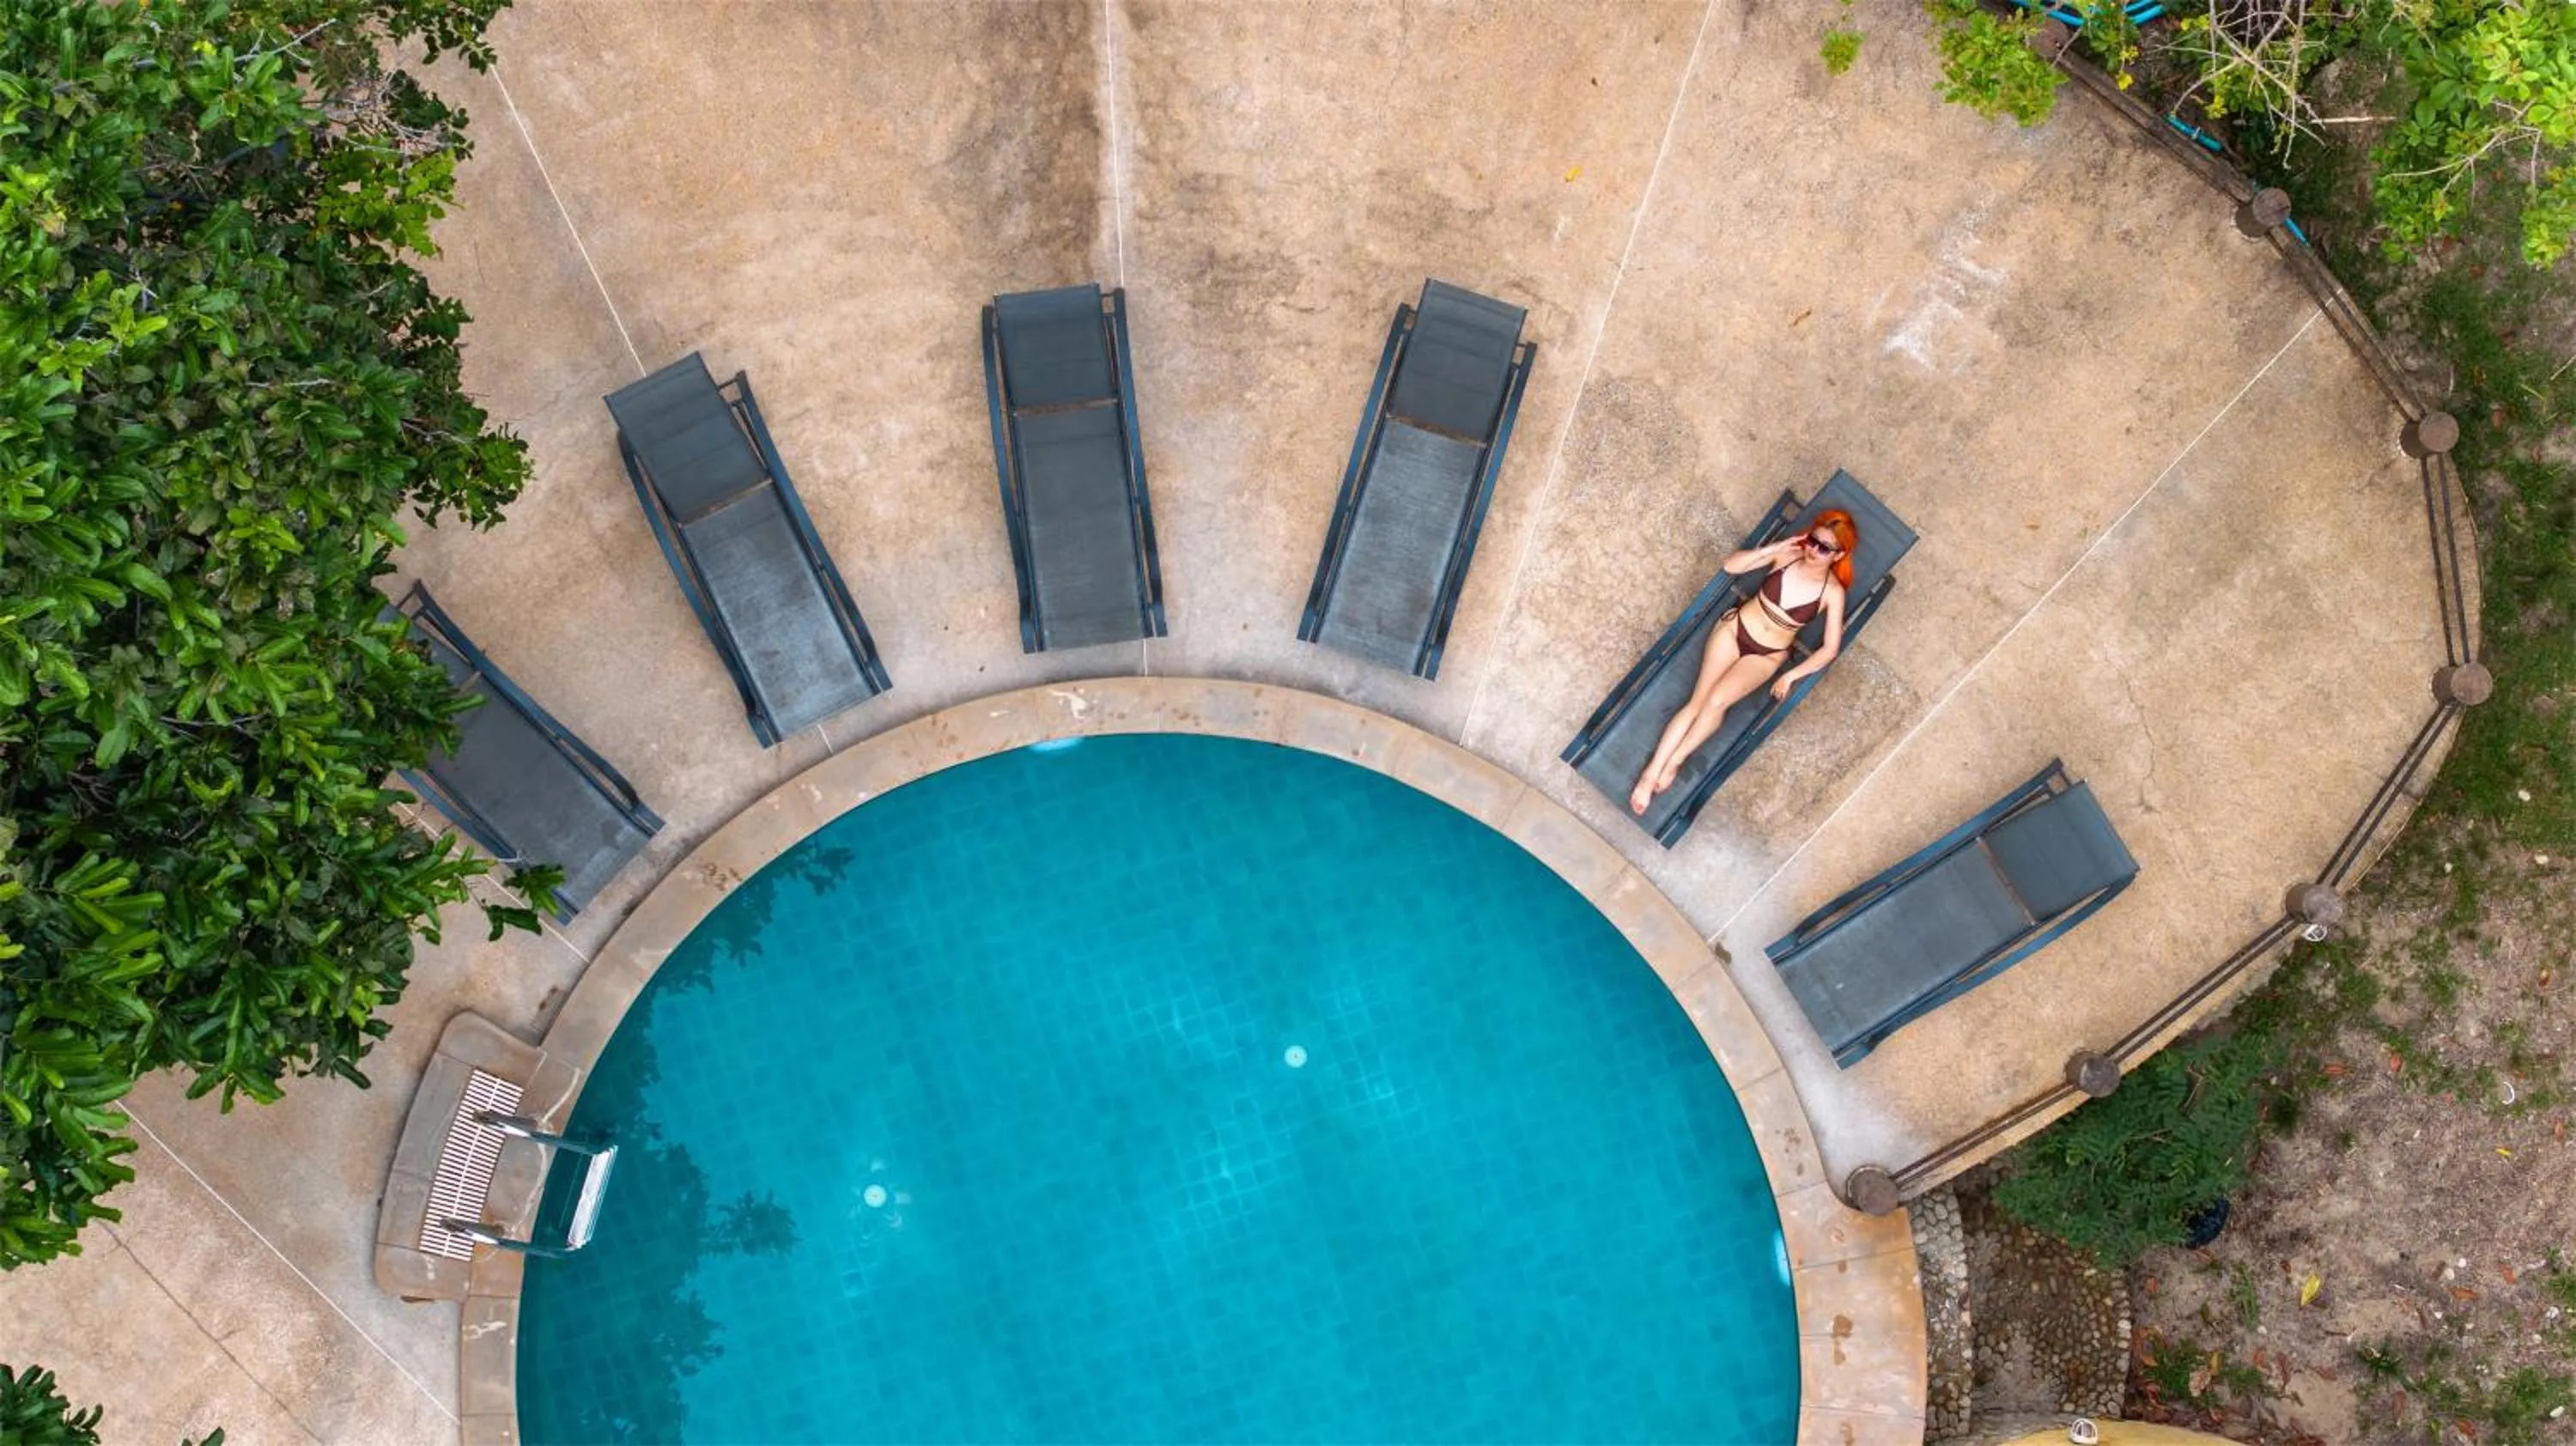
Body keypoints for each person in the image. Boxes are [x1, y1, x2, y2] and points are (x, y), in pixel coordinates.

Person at [1628, 509, 1857, 816]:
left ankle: (1675, 760)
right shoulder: (1787, 556)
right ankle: (1649, 774)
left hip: (1766, 654)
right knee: (1697, 702)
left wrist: (1791, 677)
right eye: (1814, 541)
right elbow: (1731, 565)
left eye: (1824, 548)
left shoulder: (1832, 592)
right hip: (1734, 629)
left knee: (1718, 701)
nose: (1814, 550)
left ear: (1838, 554)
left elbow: (1830, 649)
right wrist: (1772, 549)